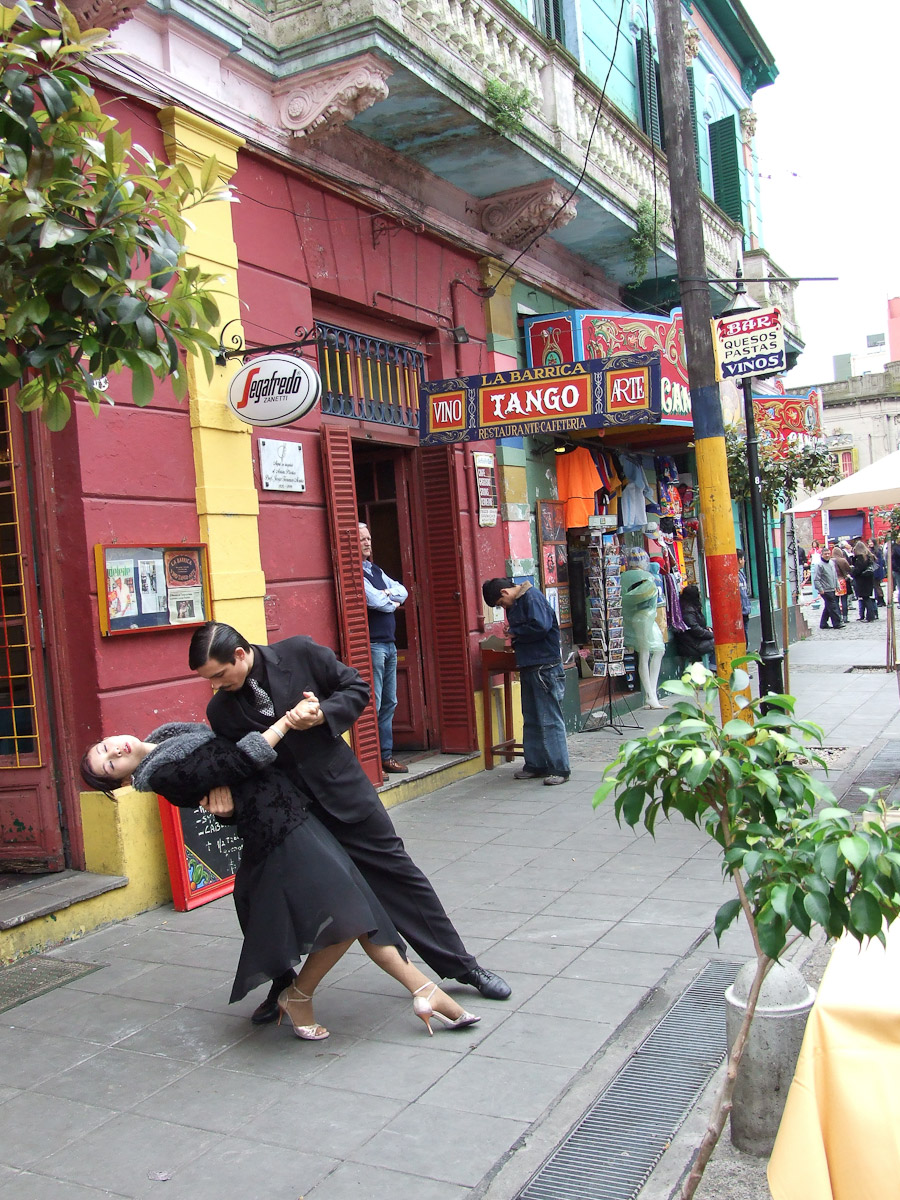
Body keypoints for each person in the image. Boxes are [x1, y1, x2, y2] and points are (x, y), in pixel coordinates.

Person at [188, 621, 511, 1021]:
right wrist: (222, 793)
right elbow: (241, 762)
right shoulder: (221, 709)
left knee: (400, 878)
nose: (217, 686)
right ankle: (283, 983)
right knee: (260, 896)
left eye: (219, 675)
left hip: (344, 794)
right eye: (209, 681)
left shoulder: (299, 651)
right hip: (290, 815)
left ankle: (463, 966)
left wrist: (323, 713)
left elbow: (357, 688)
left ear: (239, 654)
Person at [80, 723, 478, 1040]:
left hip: (297, 819)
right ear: (123, 783)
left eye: (104, 748)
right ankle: (300, 996)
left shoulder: (169, 737)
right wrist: (285, 722)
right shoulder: (164, 774)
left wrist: (225, 780)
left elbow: (225, 753)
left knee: (365, 910)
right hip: (278, 834)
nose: (115, 751)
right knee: (347, 917)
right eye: (110, 765)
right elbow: (240, 758)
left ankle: (425, 993)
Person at [481, 577, 570, 784]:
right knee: (531, 717)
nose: (503, 607)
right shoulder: (520, 601)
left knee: (549, 719)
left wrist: (515, 632)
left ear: (504, 592)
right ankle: (535, 764)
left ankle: (559, 768)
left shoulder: (532, 598)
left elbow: (541, 626)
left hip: (545, 666)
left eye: (501, 604)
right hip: (531, 664)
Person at [359, 522, 408, 775]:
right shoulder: (355, 573)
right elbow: (377, 601)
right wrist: (389, 599)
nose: (367, 543)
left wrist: (387, 595)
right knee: (374, 702)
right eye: (361, 539)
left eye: (368, 538)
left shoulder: (374, 570)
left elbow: (403, 592)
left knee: (390, 701)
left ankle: (385, 756)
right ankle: (373, 761)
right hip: (375, 646)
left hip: (389, 644)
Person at [674, 584, 715, 664]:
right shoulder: (688, 610)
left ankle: (713, 666)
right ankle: (713, 667)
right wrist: (711, 634)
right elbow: (695, 629)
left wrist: (708, 630)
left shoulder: (689, 608)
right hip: (691, 645)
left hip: (692, 642)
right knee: (717, 641)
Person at [812, 547, 842, 630]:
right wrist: (820, 589)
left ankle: (823, 623)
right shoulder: (819, 565)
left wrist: (837, 585)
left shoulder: (831, 563)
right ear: (822, 554)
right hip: (825, 589)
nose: (827, 555)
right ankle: (837, 623)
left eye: (829, 553)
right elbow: (816, 579)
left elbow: (834, 575)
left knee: (828, 606)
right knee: (833, 606)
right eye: (825, 554)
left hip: (831, 588)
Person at [851, 540, 877, 622]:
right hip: (869, 579)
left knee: (866, 598)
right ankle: (870, 615)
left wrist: (852, 571)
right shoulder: (869, 556)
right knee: (867, 598)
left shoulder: (860, 558)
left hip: (862, 580)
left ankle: (870, 616)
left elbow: (858, 570)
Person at [830, 544, 852, 623]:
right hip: (842, 581)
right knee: (844, 600)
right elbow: (849, 569)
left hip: (834, 581)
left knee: (836, 601)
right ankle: (845, 617)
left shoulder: (831, 561)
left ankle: (838, 616)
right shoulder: (843, 560)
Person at [736, 551, 751, 644]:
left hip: (745, 611)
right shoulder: (733, 575)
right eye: (743, 559)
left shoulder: (741, 574)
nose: (744, 561)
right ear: (739, 560)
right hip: (739, 612)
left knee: (745, 638)